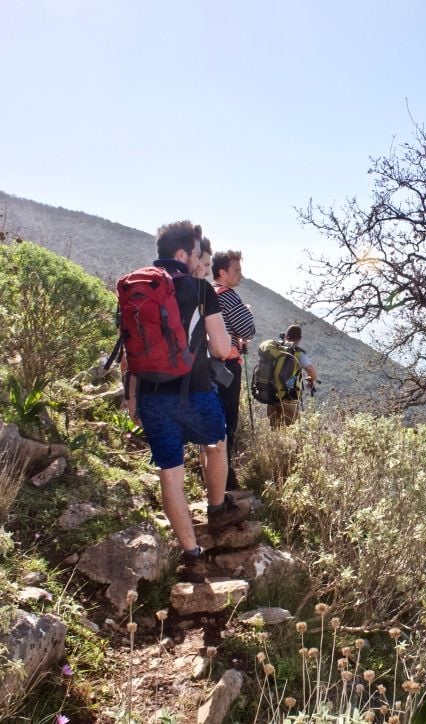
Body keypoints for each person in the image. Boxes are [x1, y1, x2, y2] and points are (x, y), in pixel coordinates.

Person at [125, 220, 247, 582]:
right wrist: (225, 347)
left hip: (150, 394)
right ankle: (216, 508)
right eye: (196, 254)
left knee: (170, 476)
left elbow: (129, 351)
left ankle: (192, 555)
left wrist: (132, 399)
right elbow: (222, 348)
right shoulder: (200, 289)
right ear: (182, 254)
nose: (199, 260)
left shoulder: (135, 288)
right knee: (217, 442)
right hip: (194, 392)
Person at [211, 249, 256, 489]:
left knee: (214, 417)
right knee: (229, 420)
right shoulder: (228, 296)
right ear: (222, 272)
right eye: (236, 270)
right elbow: (247, 330)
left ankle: (212, 474)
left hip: (208, 365)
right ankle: (227, 479)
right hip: (228, 365)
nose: (241, 275)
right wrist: (246, 313)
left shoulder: (207, 293)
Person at [267, 324, 318, 428]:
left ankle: (276, 444)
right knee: (290, 429)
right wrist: (311, 379)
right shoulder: (298, 354)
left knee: (274, 429)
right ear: (300, 339)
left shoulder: (275, 349)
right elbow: (312, 372)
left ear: (286, 335)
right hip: (289, 397)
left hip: (271, 394)